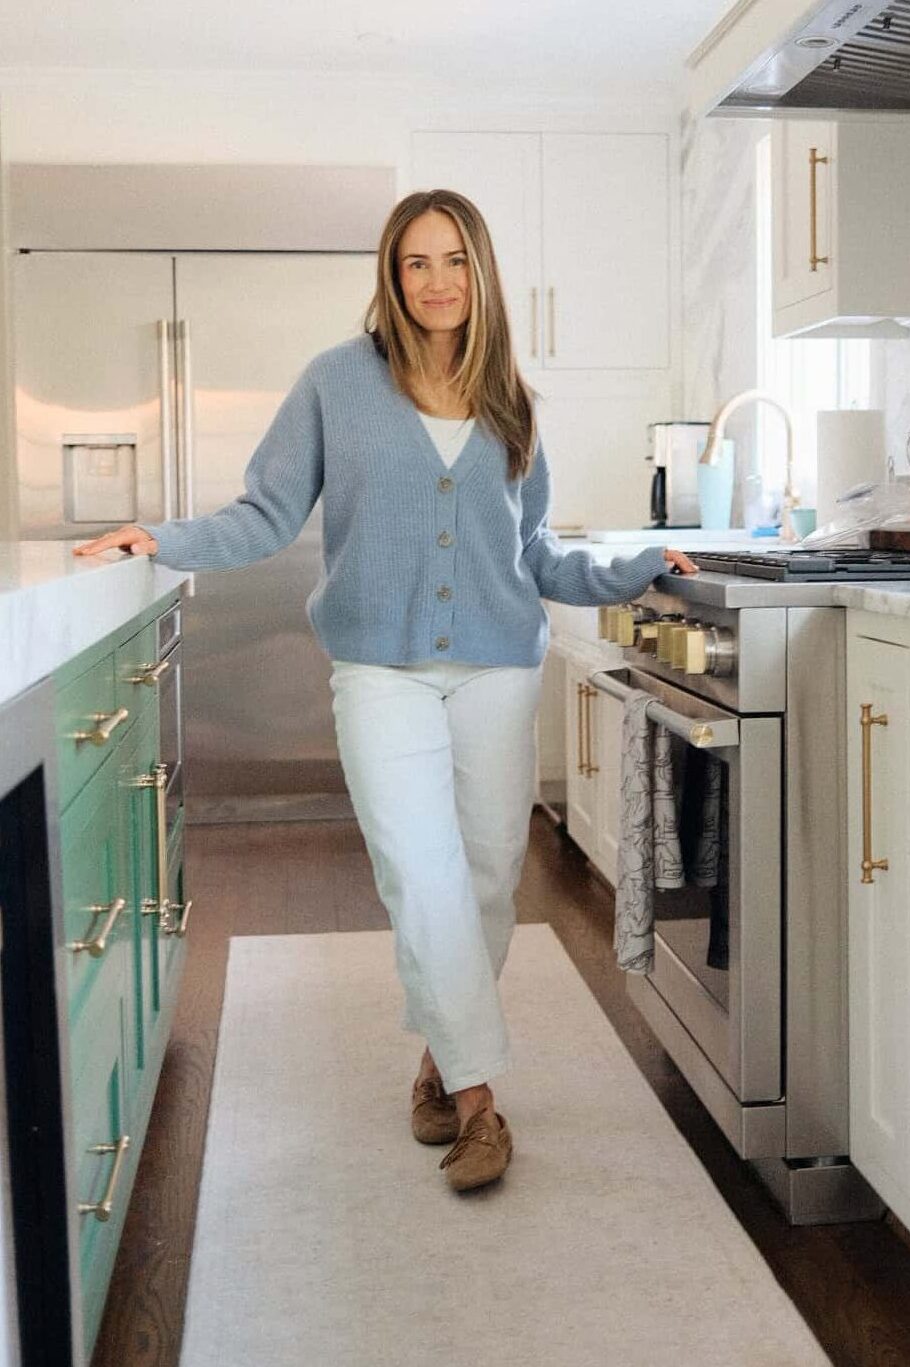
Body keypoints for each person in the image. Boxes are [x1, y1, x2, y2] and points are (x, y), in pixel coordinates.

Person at [73, 188, 698, 1193]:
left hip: (497, 663)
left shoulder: (513, 401)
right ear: (391, 275)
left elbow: (532, 551)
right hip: (379, 667)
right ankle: (486, 1106)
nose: (438, 280)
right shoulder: (336, 383)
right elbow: (266, 513)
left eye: (454, 260)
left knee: (490, 873)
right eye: (416, 262)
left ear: (480, 272)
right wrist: (164, 537)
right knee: (423, 869)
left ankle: (438, 1065)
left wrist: (626, 564)